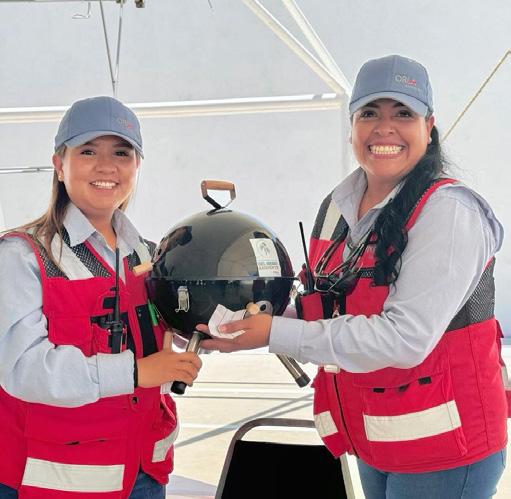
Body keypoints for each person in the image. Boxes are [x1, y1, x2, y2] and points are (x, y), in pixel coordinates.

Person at [200, 55, 509, 498]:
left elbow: (403, 339)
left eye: (402, 113)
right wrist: (240, 323)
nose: (384, 128)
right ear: (352, 127)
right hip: (376, 438)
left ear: (429, 126)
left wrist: (274, 334)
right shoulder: (338, 206)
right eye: (369, 113)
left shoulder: (448, 212)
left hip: (446, 452)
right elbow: (324, 305)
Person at [0, 96, 202, 498]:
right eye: (88, 151)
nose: (107, 166)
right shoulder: (22, 255)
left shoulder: (147, 255)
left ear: (137, 165)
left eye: (122, 153)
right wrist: (136, 373)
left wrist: (202, 333)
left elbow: (161, 335)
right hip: (55, 482)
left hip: (144, 473)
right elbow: (22, 368)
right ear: (59, 165)